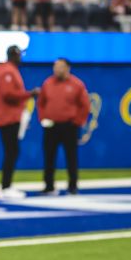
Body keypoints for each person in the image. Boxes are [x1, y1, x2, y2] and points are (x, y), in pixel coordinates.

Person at [37, 58, 90, 195]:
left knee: (71, 156)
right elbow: (41, 103)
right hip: (51, 126)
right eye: (55, 66)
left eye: (60, 66)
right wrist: (43, 118)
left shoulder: (77, 84)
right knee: (49, 156)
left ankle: (72, 185)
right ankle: (49, 185)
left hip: (69, 126)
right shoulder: (48, 83)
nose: (57, 69)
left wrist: (78, 121)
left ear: (67, 68)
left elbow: (85, 105)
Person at [0, 45, 37, 200]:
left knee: (12, 151)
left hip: (12, 116)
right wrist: (30, 94)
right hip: (8, 117)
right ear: (14, 55)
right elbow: (8, 94)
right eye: (19, 55)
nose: (20, 58)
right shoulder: (7, 70)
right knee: (11, 151)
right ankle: (5, 187)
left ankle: (7, 186)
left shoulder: (11, 70)